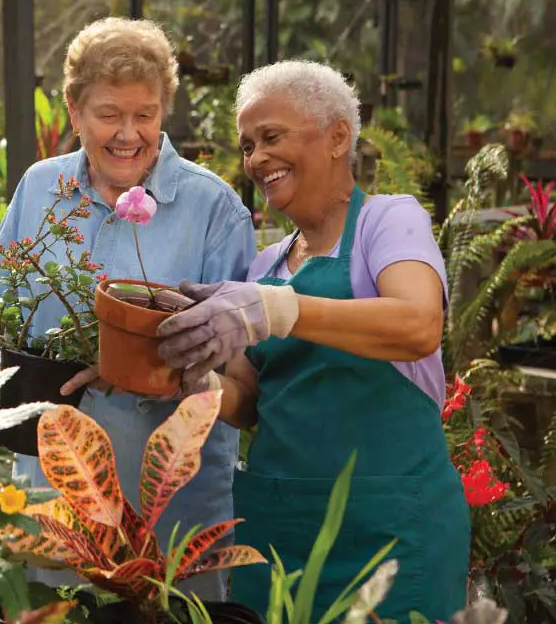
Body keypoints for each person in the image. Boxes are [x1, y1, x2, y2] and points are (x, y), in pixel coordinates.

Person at [156, 60, 469, 620]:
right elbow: (250, 403)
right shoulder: (265, 266)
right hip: (281, 533)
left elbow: (418, 325)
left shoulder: (388, 224)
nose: (255, 159)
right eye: (248, 145)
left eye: (271, 137)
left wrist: (282, 309)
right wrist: (190, 378)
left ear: (337, 136)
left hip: (387, 533)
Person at [0, 17, 256, 601]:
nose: (129, 134)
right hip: (55, 502)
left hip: (172, 510)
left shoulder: (213, 210)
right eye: (109, 114)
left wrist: (146, 365)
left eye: (144, 114)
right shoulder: (41, 188)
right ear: (74, 113)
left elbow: (241, 379)